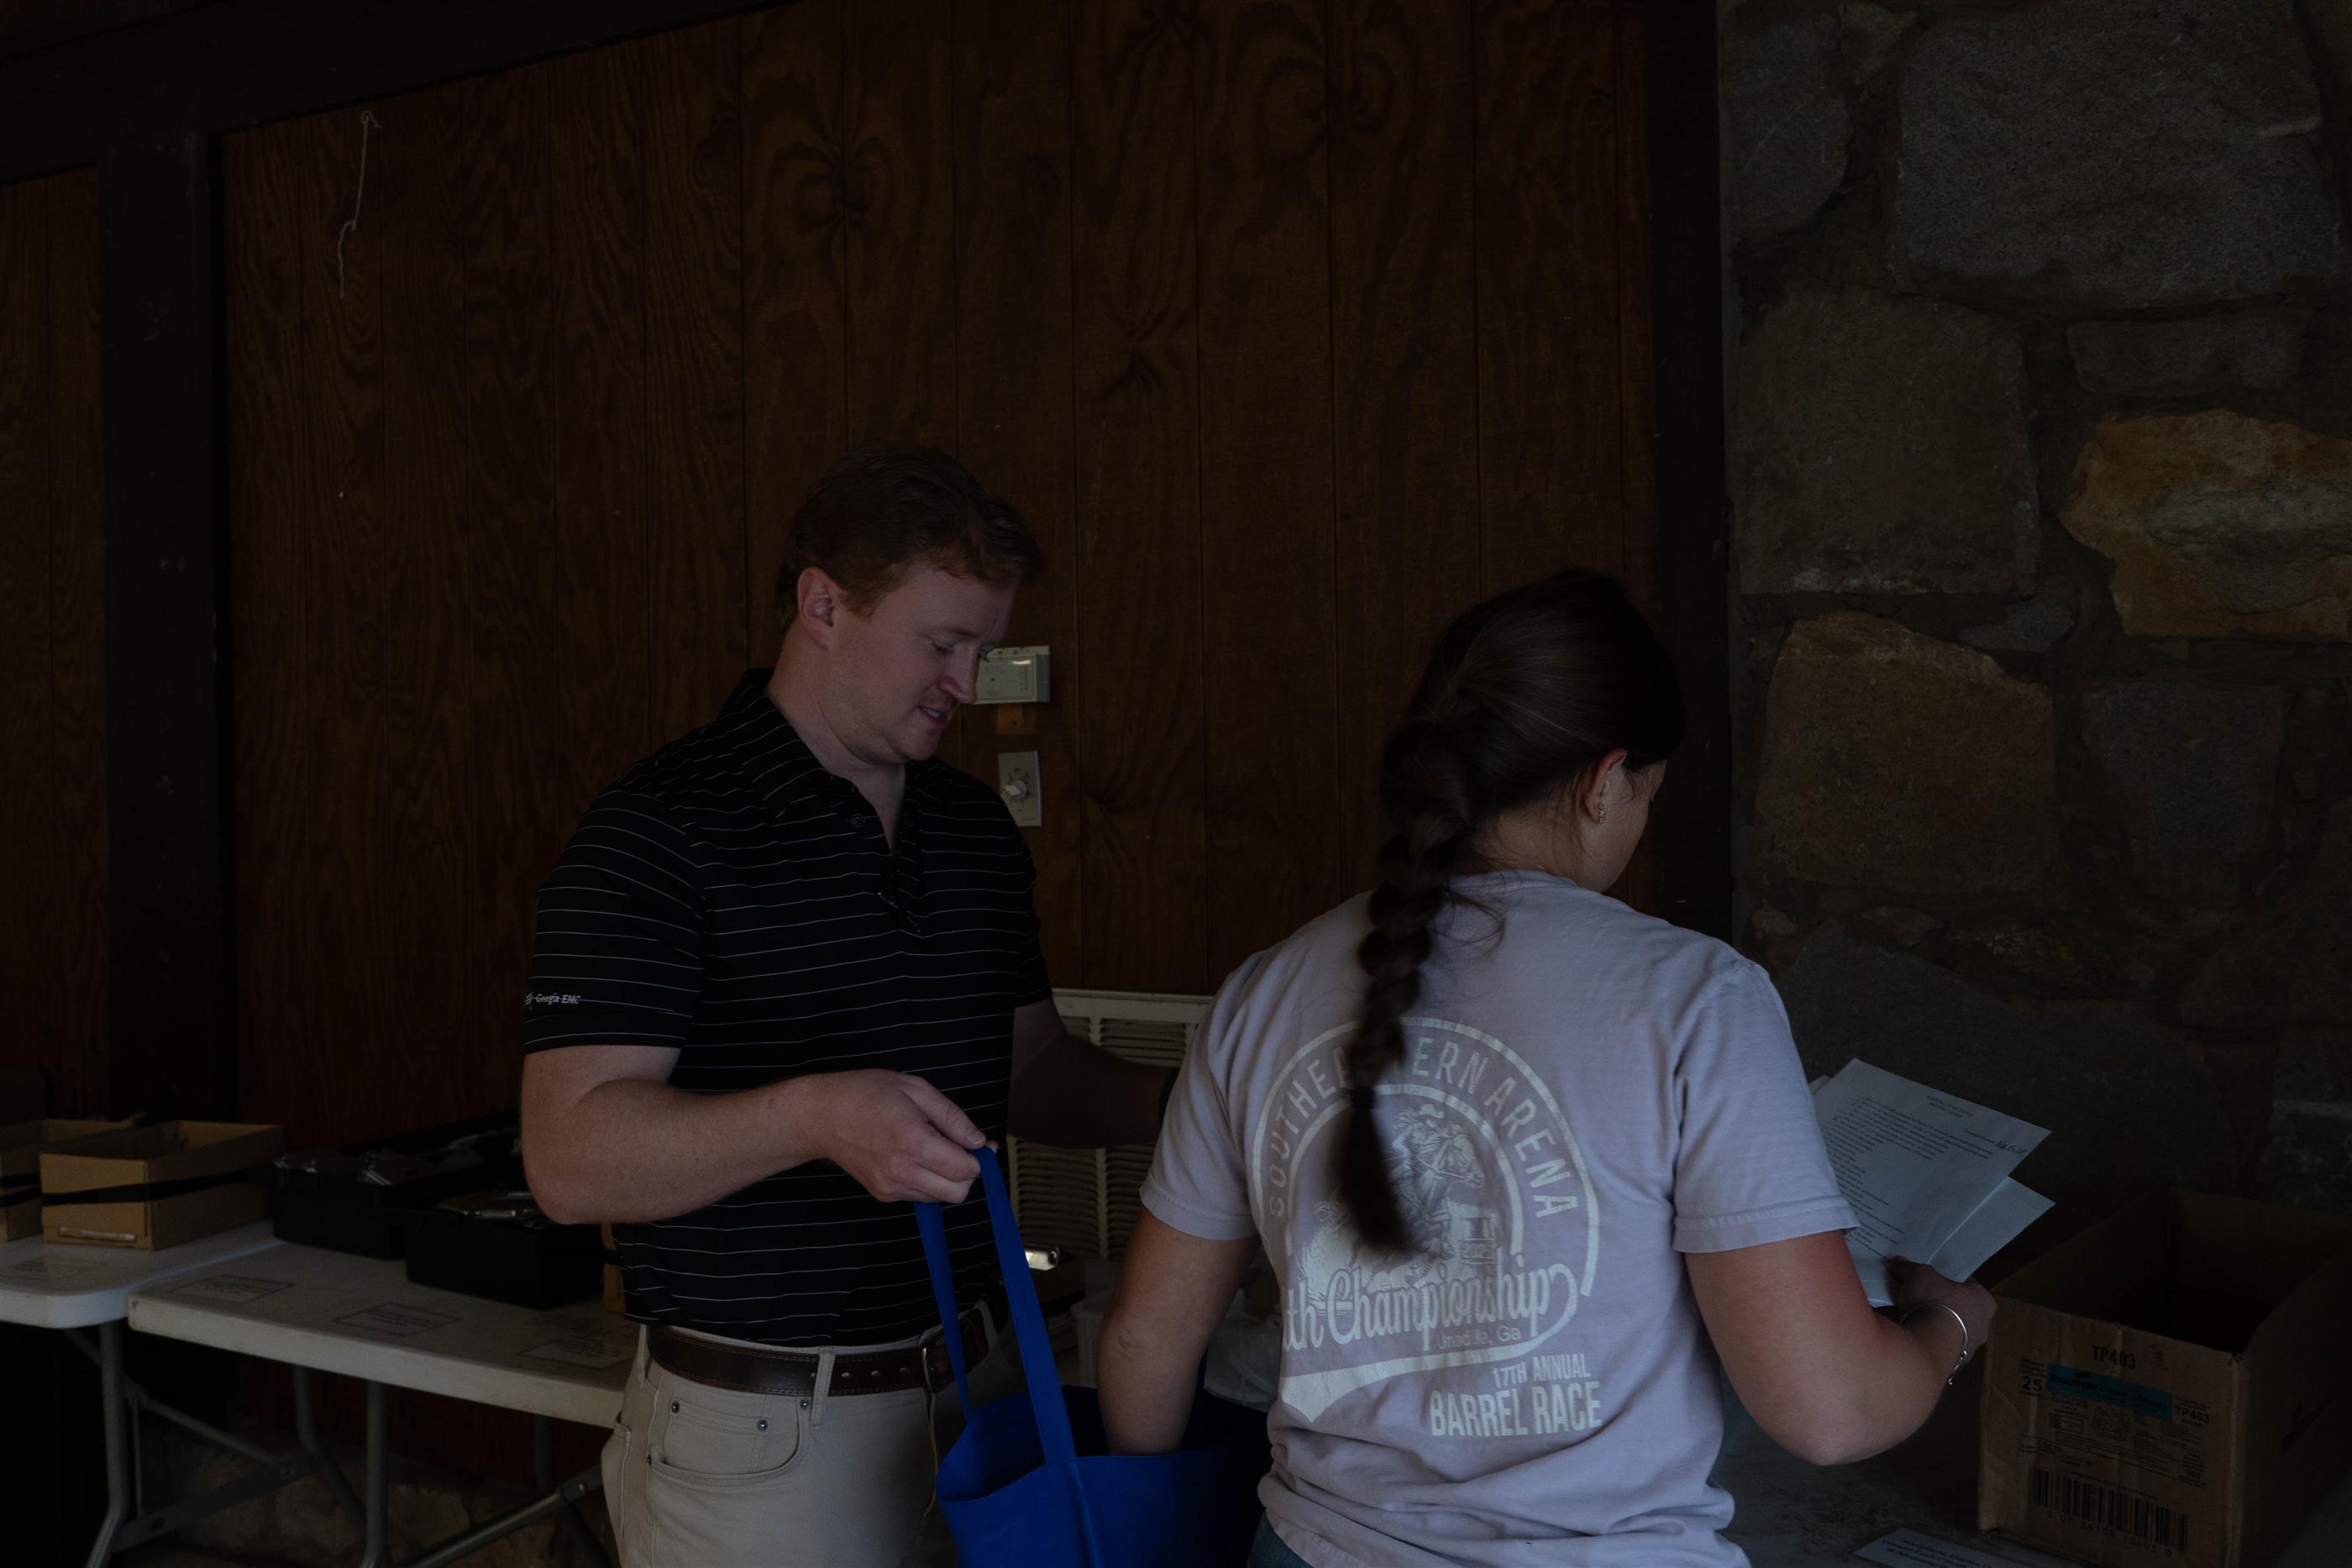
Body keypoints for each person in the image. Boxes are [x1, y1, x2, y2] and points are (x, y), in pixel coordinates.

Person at [1097, 570, 1996, 1567]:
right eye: (1647, 793)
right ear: (1605, 779)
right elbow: (1830, 1411)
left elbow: (1144, 1339)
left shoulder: (1261, 991)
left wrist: (1146, 1521)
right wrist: (1950, 1325)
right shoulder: (1697, 996)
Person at [517, 443, 1173, 1568]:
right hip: (768, 1436)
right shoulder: (657, 829)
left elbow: (1026, 1070)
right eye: (943, 643)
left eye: (984, 648)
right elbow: (569, 1160)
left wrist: (1207, 1102)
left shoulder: (970, 828)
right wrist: (814, 1116)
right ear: (823, 604)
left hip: (985, 1391)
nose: (968, 683)